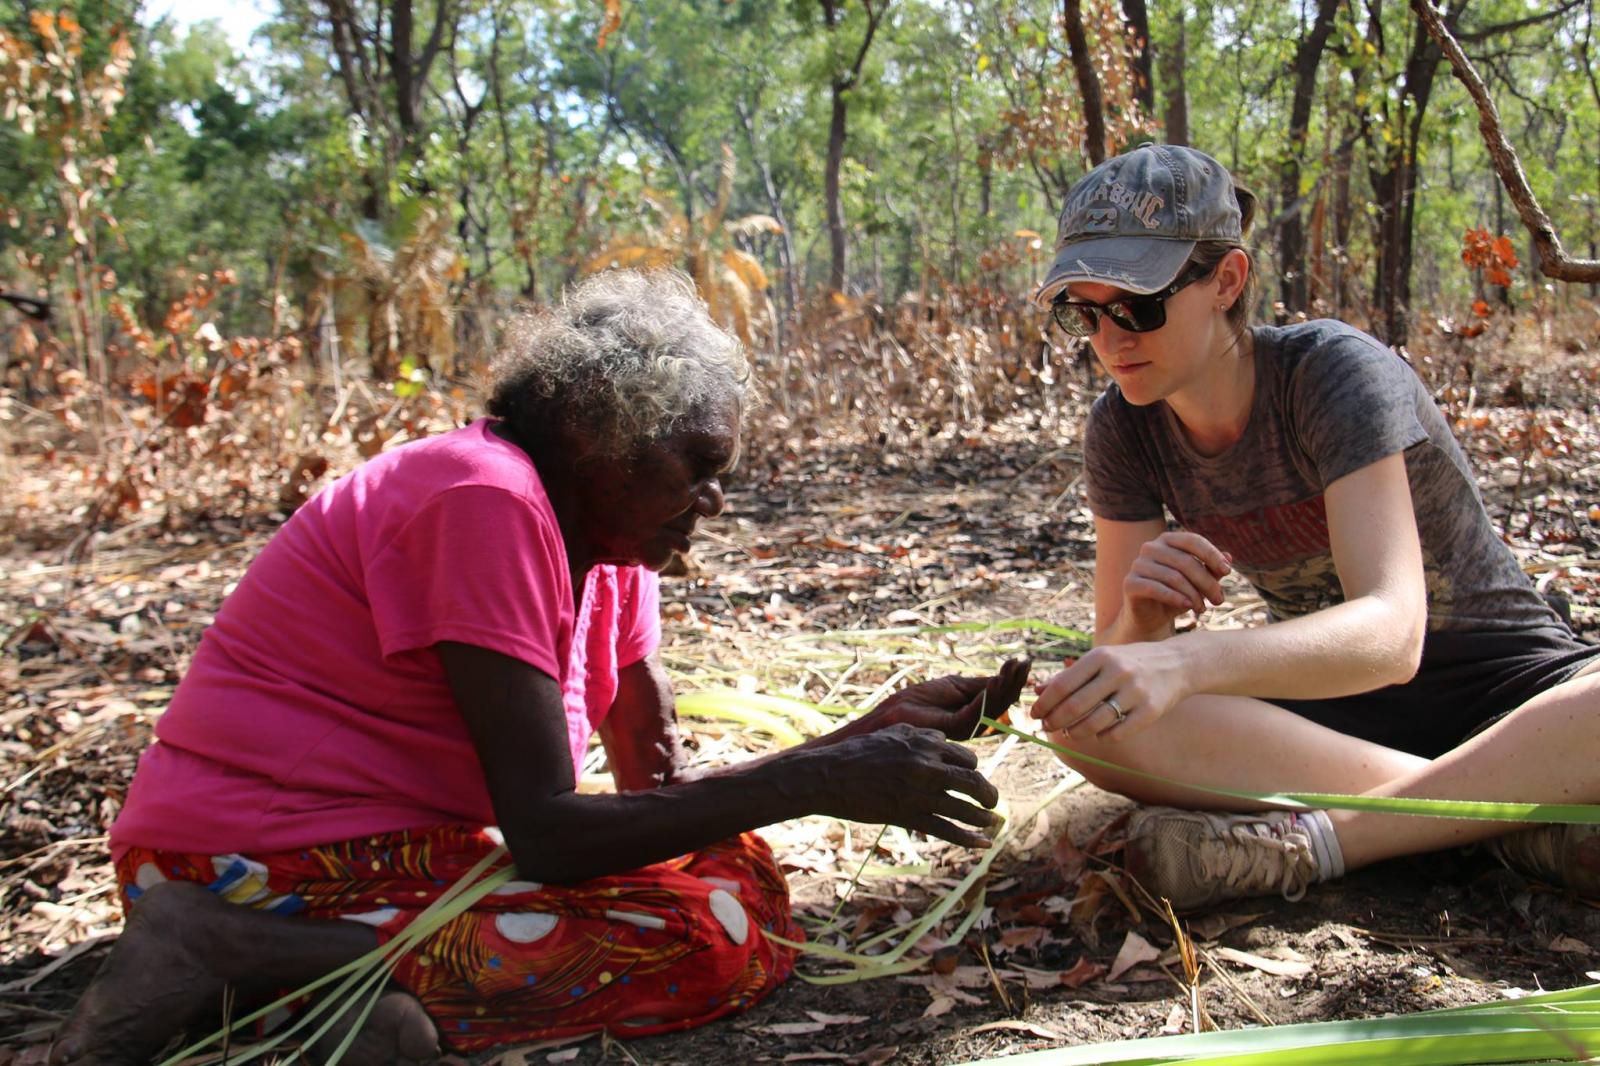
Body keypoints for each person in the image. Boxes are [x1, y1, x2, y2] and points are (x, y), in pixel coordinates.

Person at [51, 269, 1031, 1064]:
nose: (713, 500)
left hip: (384, 863)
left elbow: (661, 797)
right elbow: (552, 836)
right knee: (704, 935)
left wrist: (870, 739)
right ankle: (212, 947)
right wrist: (821, 778)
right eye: (696, 464)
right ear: (593, 437)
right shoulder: (483, 497)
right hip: (241, 864)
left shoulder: (613, 554)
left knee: (734, 885)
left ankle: (320, 995)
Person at [1025, 142, 1600, 911]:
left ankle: (1332, 840)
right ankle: (1497, 813)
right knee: (1082, 723)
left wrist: (1189, 664)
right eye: (1082, 313)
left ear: (1228, 280)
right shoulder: (1124, 429)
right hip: (1340, 724)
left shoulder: (1330, 372)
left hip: (1515, 689)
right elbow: (1115, 677)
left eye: (1138, 306)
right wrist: (1141, 622)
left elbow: (1393, 636)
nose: (1110, 339)